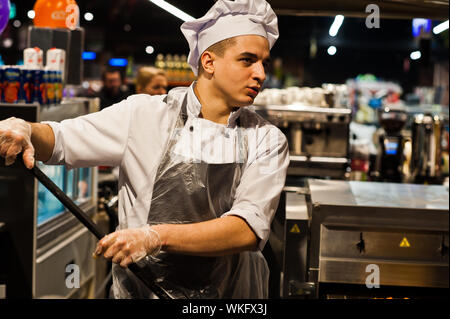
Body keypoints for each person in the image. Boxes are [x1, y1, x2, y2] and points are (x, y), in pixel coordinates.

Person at [0, 0, 289, 299]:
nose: (261, 74)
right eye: (247, 60)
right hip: (140, 292)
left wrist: (154, 237)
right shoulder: (143, 115)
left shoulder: (267, 139)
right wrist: (26, 128)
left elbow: (248, 229)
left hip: (227, 296)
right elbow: (60, 139)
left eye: (264, 63)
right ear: (208, 62)